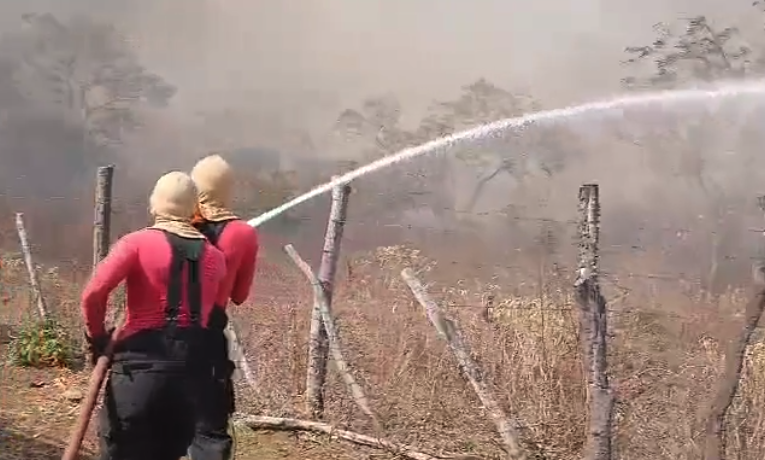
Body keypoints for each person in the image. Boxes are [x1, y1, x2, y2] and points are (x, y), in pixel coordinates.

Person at [82, 171, 227, 460]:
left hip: (139, 371)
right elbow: (210, 313)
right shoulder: (216, 258)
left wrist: (98, 337)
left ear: (155, 204)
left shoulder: (135, 243)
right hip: (191, 376)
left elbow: (93, 294)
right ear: (193, 209)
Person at [188, 154, 259, 460]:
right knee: (208, 432)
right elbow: (240, 295)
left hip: (157, 331)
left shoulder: (174, 224)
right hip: (205, 338)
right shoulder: (243, 233)